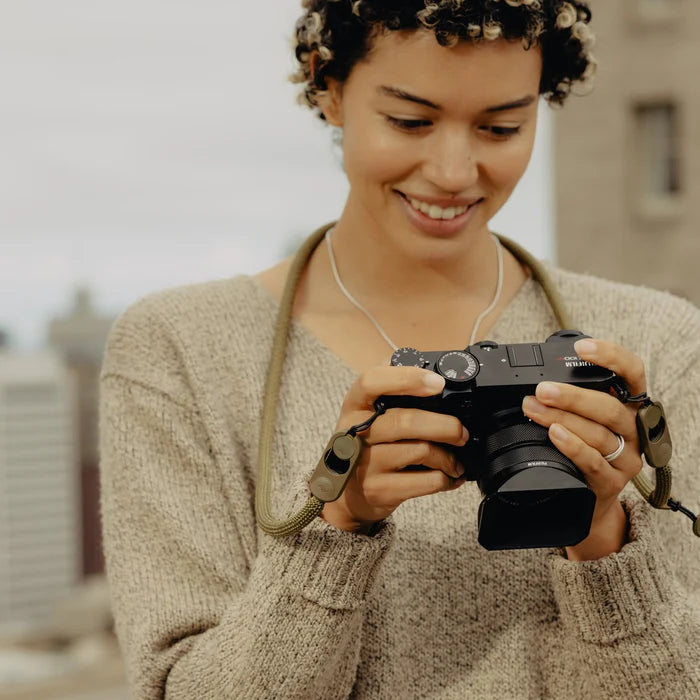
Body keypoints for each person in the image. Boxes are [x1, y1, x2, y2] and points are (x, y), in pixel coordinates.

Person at [99, 1, 700, 697]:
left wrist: (601, 529)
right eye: (410, 121)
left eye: (501, 127)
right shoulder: (178, 352)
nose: (452, 171)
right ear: (328, 87)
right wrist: (336, 522)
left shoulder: (655, 342)